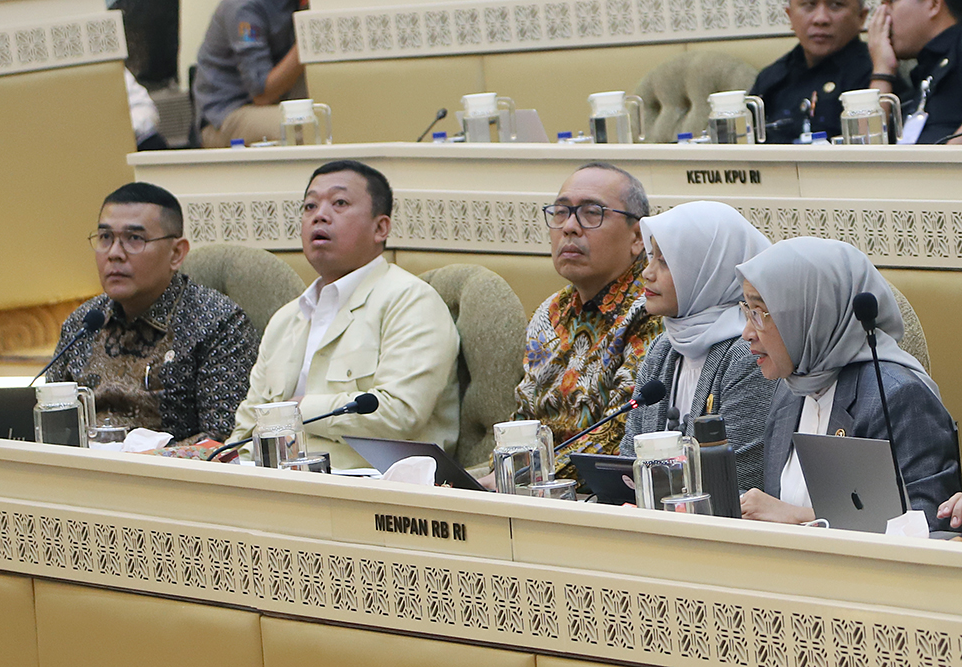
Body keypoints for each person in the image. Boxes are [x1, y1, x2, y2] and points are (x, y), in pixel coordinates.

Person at [228, 160, 460, 469]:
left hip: (369, 490)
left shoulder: (411, 302)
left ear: (381, 228)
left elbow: (398, 414)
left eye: (339, 203)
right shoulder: (286, 319)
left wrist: (296, 412)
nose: (319, 215)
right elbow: (246, 426)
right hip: (273, 488)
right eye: (310, 206)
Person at [735, 237, 961, 530]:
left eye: (759, 313)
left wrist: (800, 517)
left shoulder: (897, 395)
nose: (747, 332)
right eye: (746, 311)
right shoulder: (791, 391)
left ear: (812, 312)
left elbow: (930, 525)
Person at [48, 183, 259, 445]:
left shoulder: (219, 324)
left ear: (176, 253)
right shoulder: (84, 322)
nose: (114, 253)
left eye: (134, 239)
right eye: (105, 238)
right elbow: (48, 413)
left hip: (168, 480)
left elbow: (223, 440)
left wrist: (133, 461)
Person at [510, 163, 663, 481]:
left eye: (591, 213)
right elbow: (524, 418)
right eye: (561, 212)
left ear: (637, 237)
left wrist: (525, 476)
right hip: (536, 489)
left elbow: (620, 436)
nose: (569, 227)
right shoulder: (549, 312)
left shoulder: (653, 309)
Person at [619, 202, 777, 492]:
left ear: (708, 270)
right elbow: (629, 460)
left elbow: (738, 482)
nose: (647, 273)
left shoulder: (749, 353)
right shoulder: (662, 350)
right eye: (652, 257)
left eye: (665, 262)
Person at [750, 0, 871, 144]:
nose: (820, 19)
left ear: (861, 17)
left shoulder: (877, 74)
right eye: (809, 5)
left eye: (836, 5)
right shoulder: (772, 77)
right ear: (790, 16)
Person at [193, 0, 308, 148]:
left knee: (335, 118)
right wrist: (308, 40)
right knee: (305, 130)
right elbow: (262, 95)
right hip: (227, 114)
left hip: (277, 105)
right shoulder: (243, 9)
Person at [867, 0, 962, 144]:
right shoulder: (925, 71)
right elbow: (866, 149)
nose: (882, 12)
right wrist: (882, 72)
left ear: (934, 4)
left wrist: (947, 158)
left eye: (891, 2)